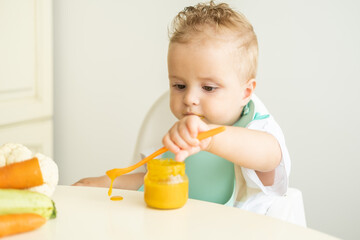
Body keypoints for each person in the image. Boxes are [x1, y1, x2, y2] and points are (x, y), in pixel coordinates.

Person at [73, 1, 290, 216]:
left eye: (208, 87)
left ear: (245, 93)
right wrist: (106, 183)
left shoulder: (258, 127)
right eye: (179, 86)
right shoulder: (176, 127)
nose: (189, 98)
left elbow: (270, 157)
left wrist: (211, 139)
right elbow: (154, 178)